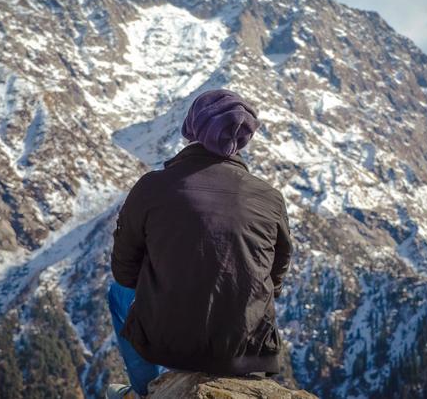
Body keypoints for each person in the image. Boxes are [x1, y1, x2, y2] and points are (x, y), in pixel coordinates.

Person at [106, 89, 293, 398]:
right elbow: (275, 279)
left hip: (166, 343)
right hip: (246, 349)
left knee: (117, 293)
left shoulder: (152, 186)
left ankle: (147, 390)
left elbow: (124, 273)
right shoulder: (270, 197)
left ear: (191, 129)